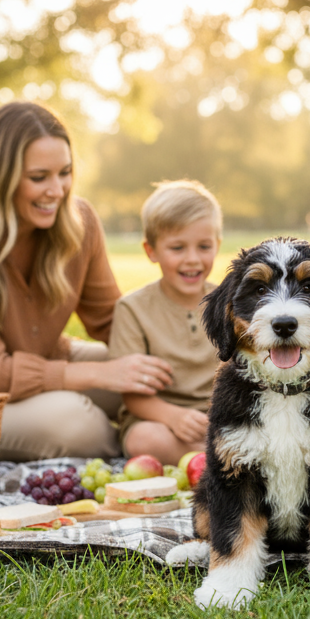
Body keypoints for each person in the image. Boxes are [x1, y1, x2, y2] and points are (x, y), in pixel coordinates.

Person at [0, 101, 173, 462]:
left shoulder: (79, 220)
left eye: (64, 172)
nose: (57, 190)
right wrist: (100, 374)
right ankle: (147, 445)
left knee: (160, 374)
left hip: (47, 363)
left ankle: (187, 438)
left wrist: (180, 350)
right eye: (39, 177)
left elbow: (113, 321)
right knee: (79, 423)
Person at [107, 180, 223, 465]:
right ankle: (222, 465)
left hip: (220, 418)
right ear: (151, 251)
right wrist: (175, 417)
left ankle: (219, 458)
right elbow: (132, 396)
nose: (192, 259)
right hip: (161, 420)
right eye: (177, 248)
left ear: (217, 245)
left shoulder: (228, 302)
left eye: (204, 246)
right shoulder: (132, 309)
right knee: (144, 439)